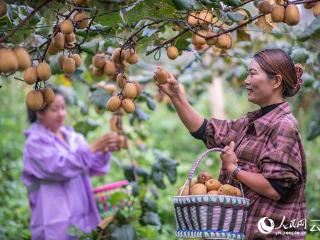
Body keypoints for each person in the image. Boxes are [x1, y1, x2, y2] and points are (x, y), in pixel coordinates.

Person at [157, 49, 307, 239]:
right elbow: (205, 131)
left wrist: (233, 169)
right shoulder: (250, 122)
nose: (246, 81)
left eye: (252, 73)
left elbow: (274, 188)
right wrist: (176, 96)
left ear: (276, 81)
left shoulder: (284, 125)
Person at [22, 87, 119, 240]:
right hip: (54, 219)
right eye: (55, 109)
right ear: (39, 113)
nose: (61, 114)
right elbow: (58, 167)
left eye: (63, 108)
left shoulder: (73, 137)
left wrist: (104, 149)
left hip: (81, 214)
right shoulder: (34, 143)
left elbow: (93, 167)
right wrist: (92, 148)